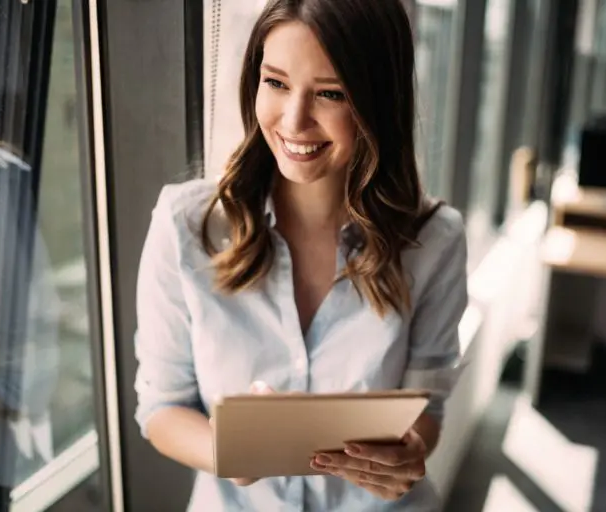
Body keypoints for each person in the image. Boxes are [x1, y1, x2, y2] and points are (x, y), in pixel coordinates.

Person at [133, 0, 468, 510]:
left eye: (330, 93)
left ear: (378, 101)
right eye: (276, 82)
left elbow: (427, 407)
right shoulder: (185, 225)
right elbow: (161, 408)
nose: (294, 120)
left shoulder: (436, 242)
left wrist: (408, 454)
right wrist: (232, 453)